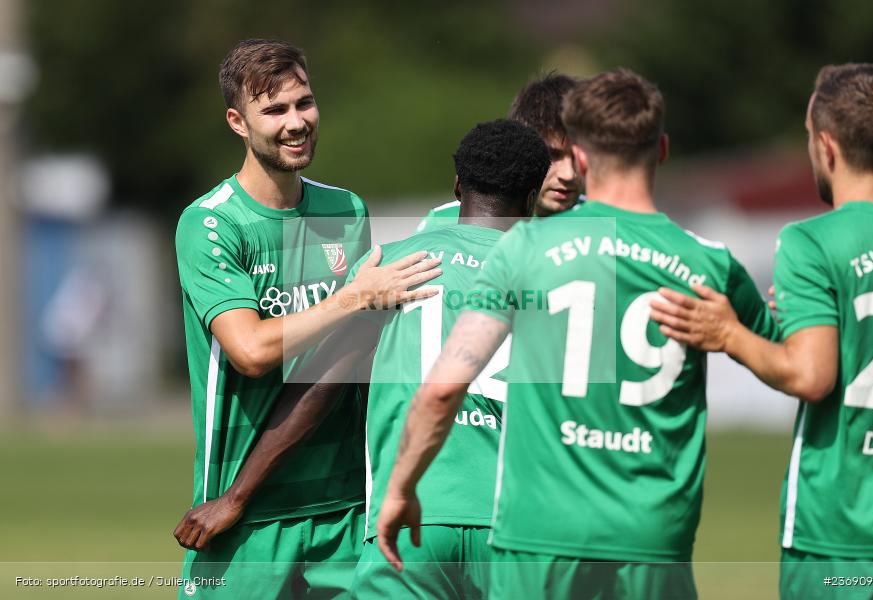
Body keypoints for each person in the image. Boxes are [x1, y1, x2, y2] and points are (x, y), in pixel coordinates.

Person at [376, 69, 777, 599]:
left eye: (571, 156)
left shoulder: (524, 247)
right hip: (638, 526)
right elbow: (799, 364)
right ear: (661, 150)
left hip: (538, 524)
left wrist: (399, 484)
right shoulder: (703, 258)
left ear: (585, 157)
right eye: (549, 156)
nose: (563, 173)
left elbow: (442, 386)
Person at [173, 118, 549, 599]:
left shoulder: (395, 268)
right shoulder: (564, 281)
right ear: (534, 196)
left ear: (457, 187)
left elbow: (324, 382)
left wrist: (236, 495)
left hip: (411, 519)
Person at [173, 38, 439, 599]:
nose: (296, 122)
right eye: (274, 110)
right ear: (237, 122)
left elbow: (348, 356)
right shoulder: (213, 224)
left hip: (344, 509)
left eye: (304, 103)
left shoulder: (343, 210)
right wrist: (354, 298)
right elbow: (250, 352)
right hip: (241, 516)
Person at [649, 63, 873, 599]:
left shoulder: (814, 241)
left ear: (827, 146)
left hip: (843, 537)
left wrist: (727, 334)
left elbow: (811, 376)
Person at [416, 72, 580, 232]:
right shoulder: (443, 221)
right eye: (552, 156)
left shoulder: (603, 225)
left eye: (578, 157)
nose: (569, 174)